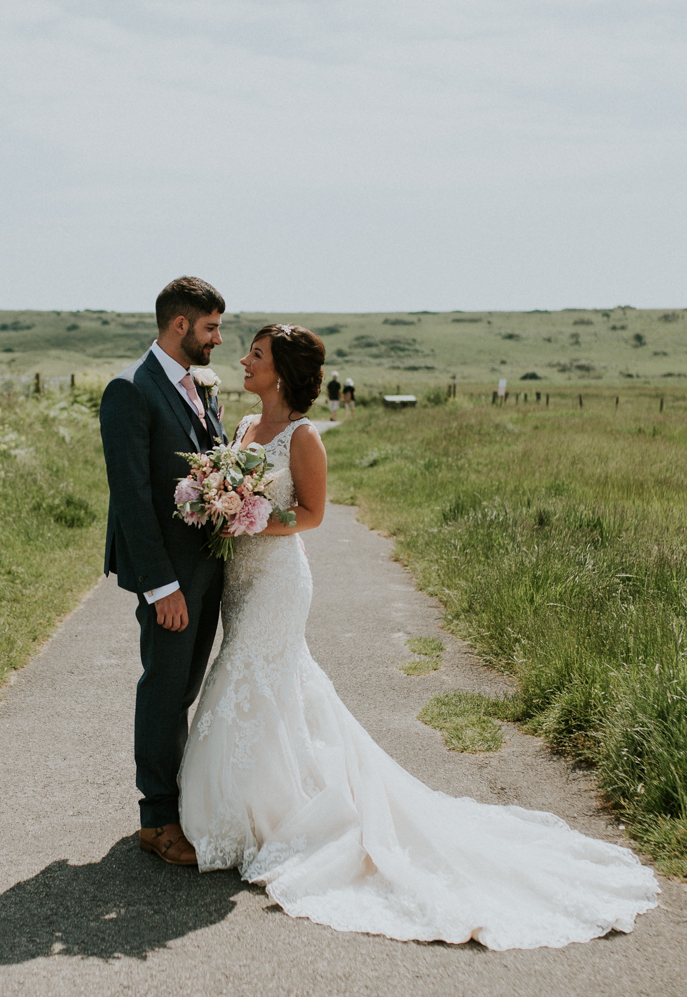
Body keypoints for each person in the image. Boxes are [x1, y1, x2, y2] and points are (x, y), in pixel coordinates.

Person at [179, 323, 661, 950]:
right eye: (247, 351)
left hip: (277, 583)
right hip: (241, 581)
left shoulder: (303, 437)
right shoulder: (243, 428)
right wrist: (219, 504)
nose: (244, 359)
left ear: (284, 372)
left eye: (257, 354)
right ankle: (264, 802)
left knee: (248, 675)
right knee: (266, 685)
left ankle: (256, 819)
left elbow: (313, 515)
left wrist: (246, 514)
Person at [99, 276, 229, 867]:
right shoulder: (130, 390)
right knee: (163, 689)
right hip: (170, 579)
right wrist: (161, 586)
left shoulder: (201, 388)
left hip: (208, 570)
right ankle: (157, 819)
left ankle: (181, 802)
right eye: (210, 329)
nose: (218, 341)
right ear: (180, 325)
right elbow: (130, 496)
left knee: (186, 688)